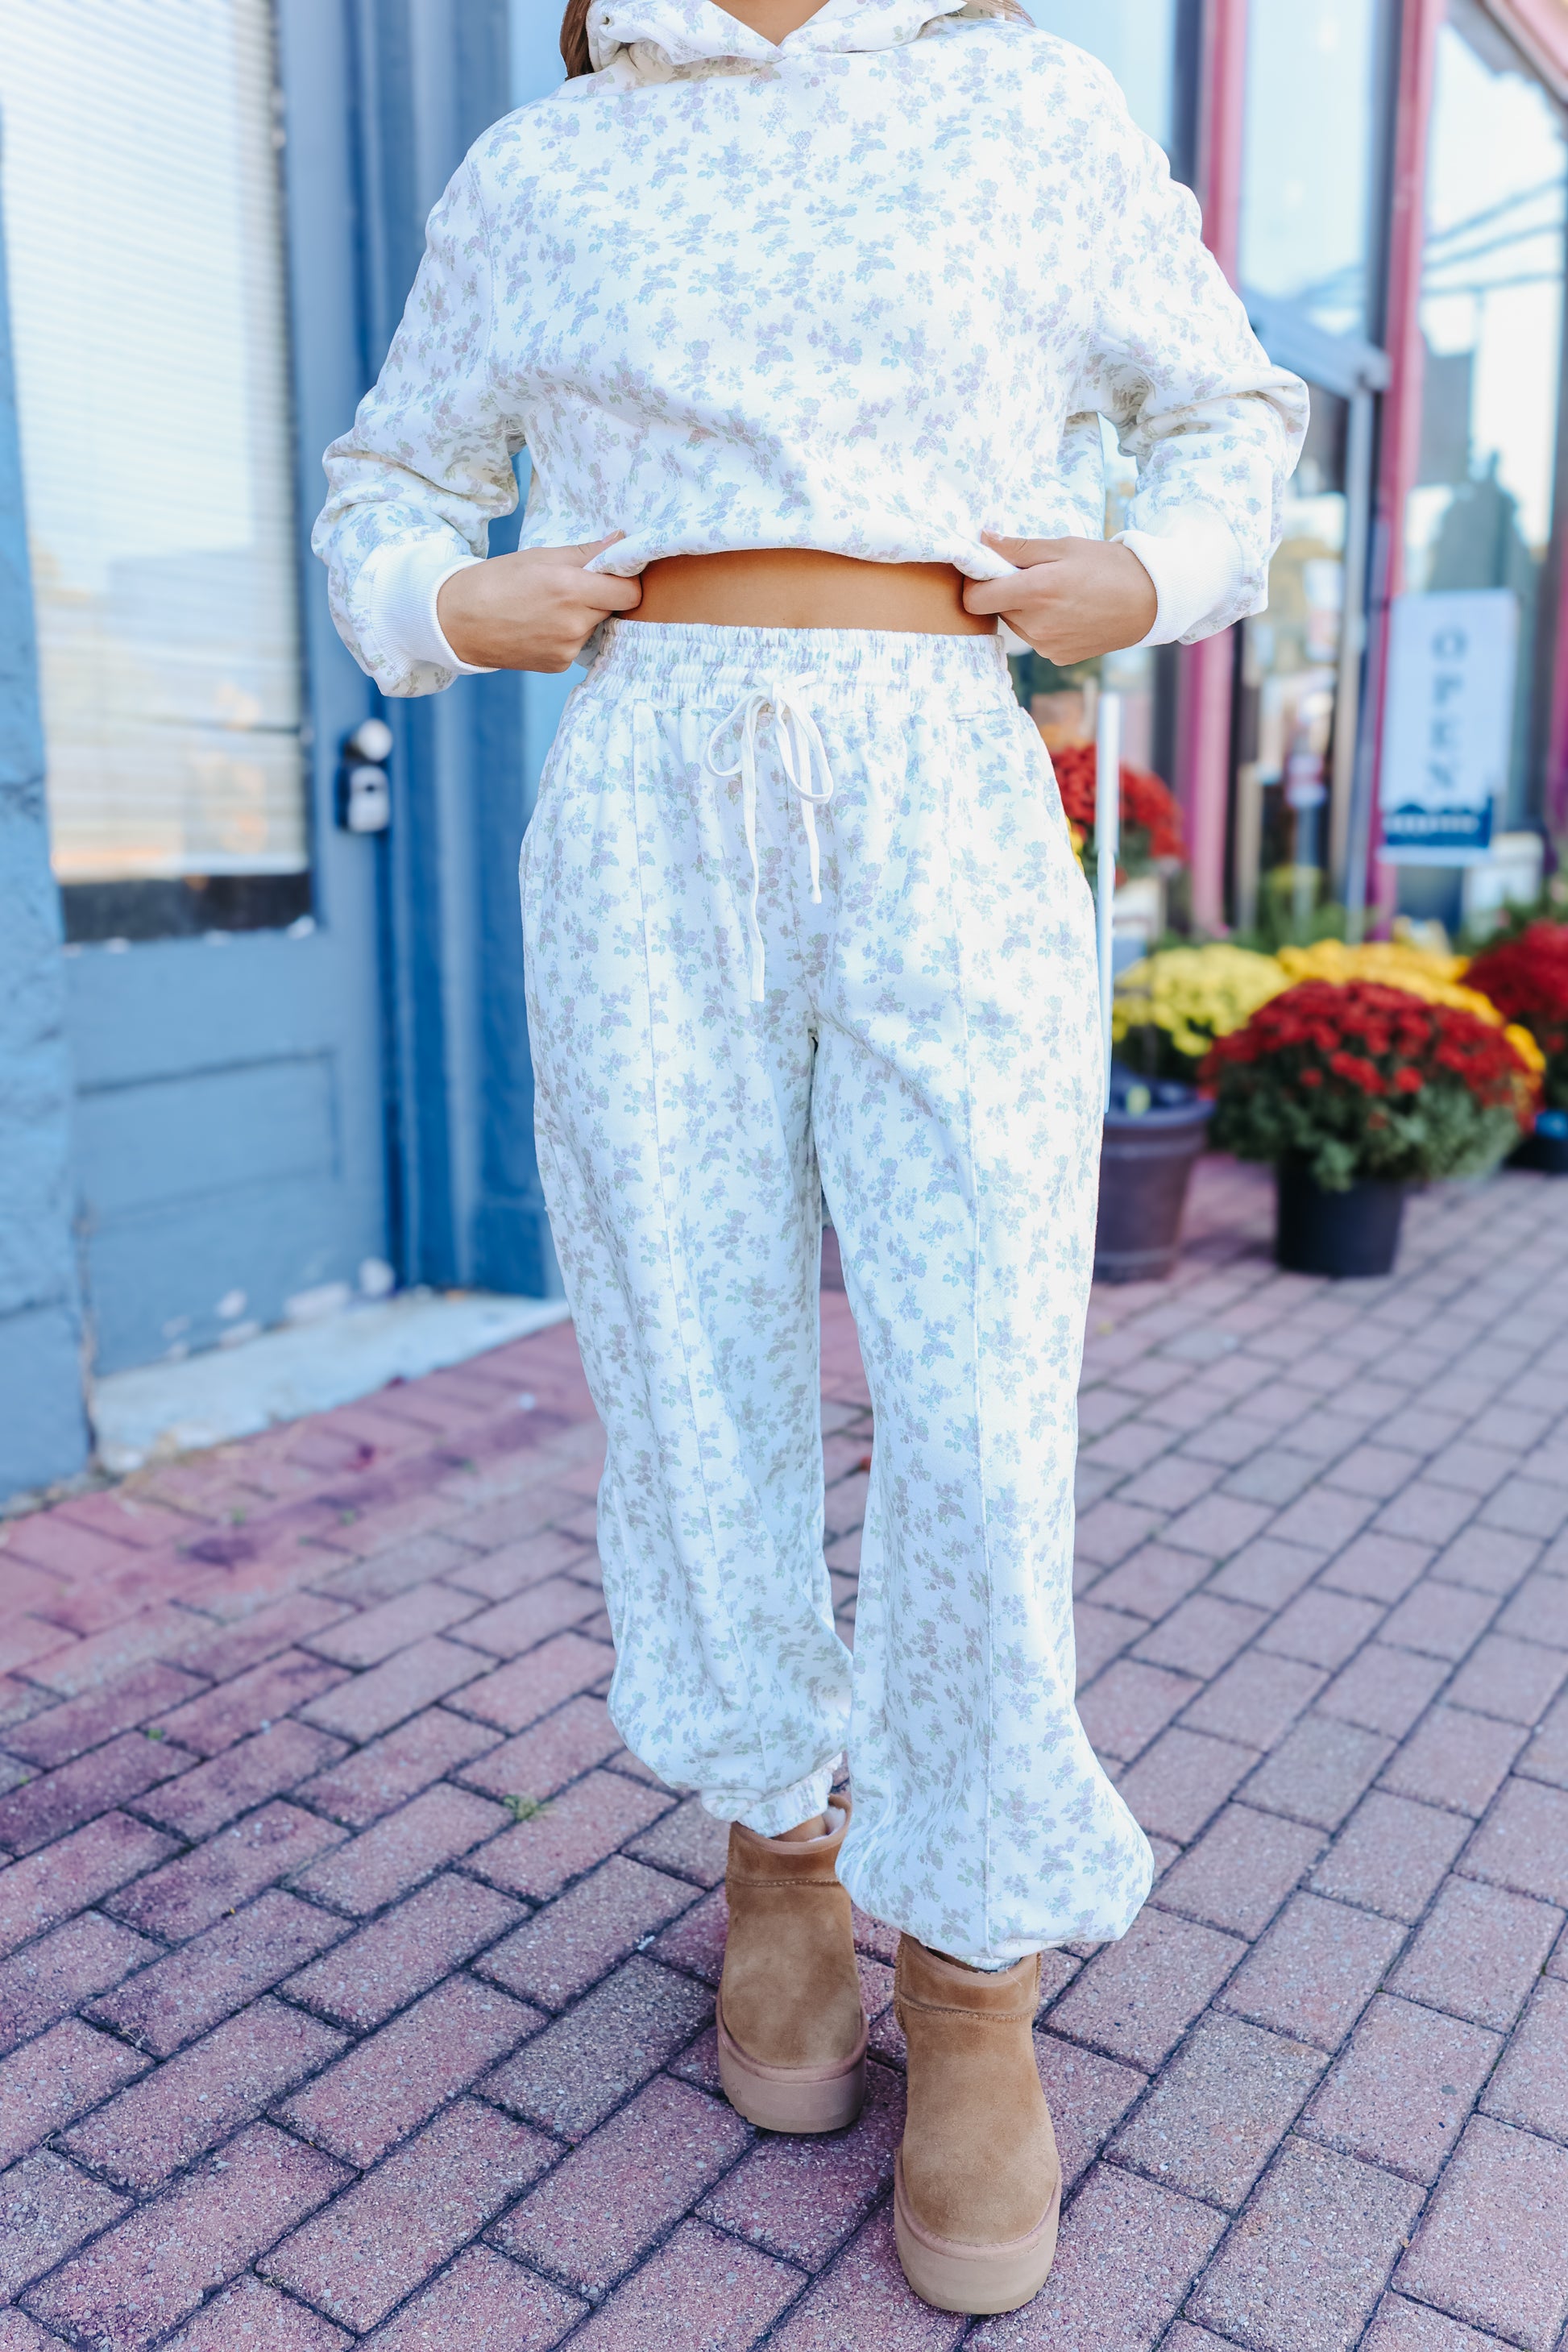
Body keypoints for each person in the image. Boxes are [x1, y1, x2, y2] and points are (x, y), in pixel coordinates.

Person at [314, 0, 1306, 2313]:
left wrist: (1146, 579)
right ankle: (776, 1854)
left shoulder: (1019, 100)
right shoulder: (544, 164)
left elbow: (1223, 402)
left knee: (975, 1400)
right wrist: (439, 607)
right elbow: (391, 468)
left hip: (938, 773)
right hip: (645, 780)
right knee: (684, 1353)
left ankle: (970, 1970)